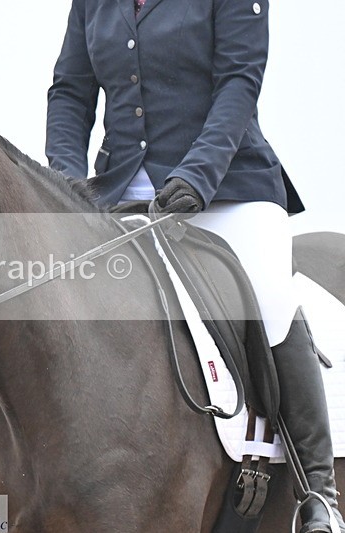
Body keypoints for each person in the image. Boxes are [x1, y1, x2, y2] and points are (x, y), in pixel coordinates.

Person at [45, 1, 344, 531]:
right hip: (119, 196)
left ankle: (317, 493)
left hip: (228, 188)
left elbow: (238, 83)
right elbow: (70, 90)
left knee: (271, 299)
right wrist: (65, 185)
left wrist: (199, 175)